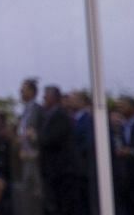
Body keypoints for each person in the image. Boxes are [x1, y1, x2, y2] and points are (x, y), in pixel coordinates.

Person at [37, 85, 84, 215]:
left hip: (63, 171)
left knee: (64, 205)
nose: (44, 98)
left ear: (53, 98)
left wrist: (36, 136)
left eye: (46, 96)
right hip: (54, 171)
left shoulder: (60, 115)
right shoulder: (50, 116)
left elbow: (50, 139)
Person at [12, 78, 43, 215]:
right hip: (25, 156)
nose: (20, 92)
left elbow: (39, 132)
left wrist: (33, 140)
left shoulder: (36, 109)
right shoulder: (25, 110)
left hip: (34, 156)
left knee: (37, 191)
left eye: (23, 89)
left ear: (31, 91)